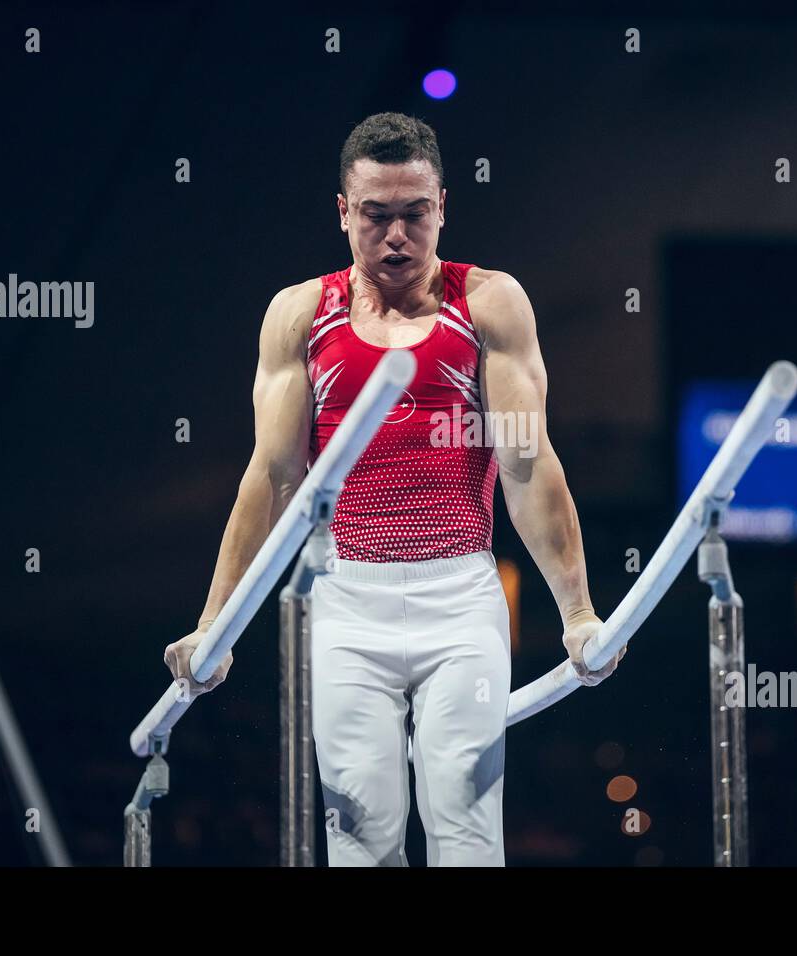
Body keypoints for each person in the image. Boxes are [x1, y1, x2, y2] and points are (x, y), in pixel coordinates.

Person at [164, 112, 624, 866]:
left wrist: (577, 613)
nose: (398, 238)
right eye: (376, 217)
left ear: (444, 205)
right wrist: (215, 623)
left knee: (467, 834)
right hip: (347, 607)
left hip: (461, 603)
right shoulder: (301, 316)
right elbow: (274, 478)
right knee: (361, 840)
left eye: (415, 214)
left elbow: (525, 463)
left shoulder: (488, 304)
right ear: (343, 212)